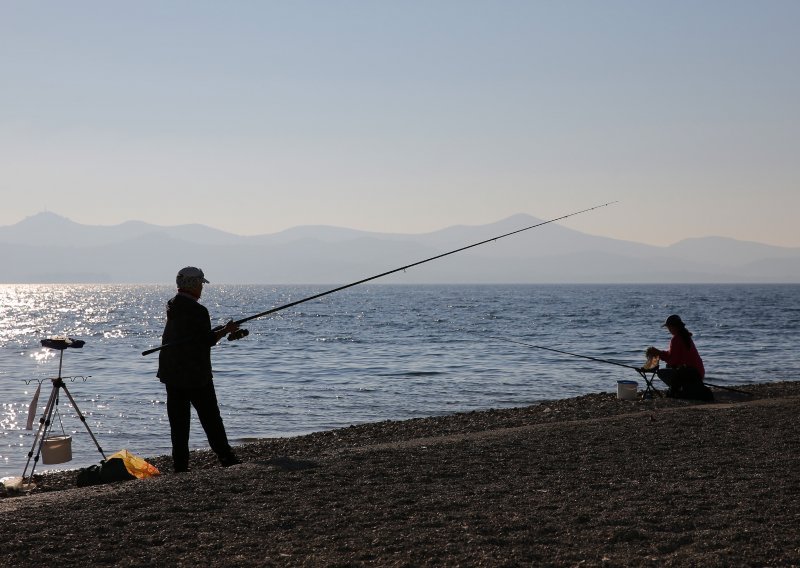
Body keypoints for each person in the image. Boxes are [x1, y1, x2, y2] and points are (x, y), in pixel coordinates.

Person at [157, 266, 242, 472]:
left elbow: (193, 336)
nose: (202, 289)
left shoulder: (172, 305)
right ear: (193, 285)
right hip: (196, 375)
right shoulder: (199, 310)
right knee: (211, 418)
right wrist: (226, 331)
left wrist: (221, 330)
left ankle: (180, 466)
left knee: (179, 424)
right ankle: (226, 458)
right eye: (200, 284)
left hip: (172, 373)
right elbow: (206, 341)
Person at [646, 314, 713, 401]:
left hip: (691, 374)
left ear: (674, 326)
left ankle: (680, 389)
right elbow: (672, 355)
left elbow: (673, 361)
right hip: (698, 373)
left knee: (661, 372)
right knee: (669, 367)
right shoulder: (685, 336)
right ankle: (682, 389)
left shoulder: (676, 339)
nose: (668, 329)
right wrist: (659, 353)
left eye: (669, 327)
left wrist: (658, 354)